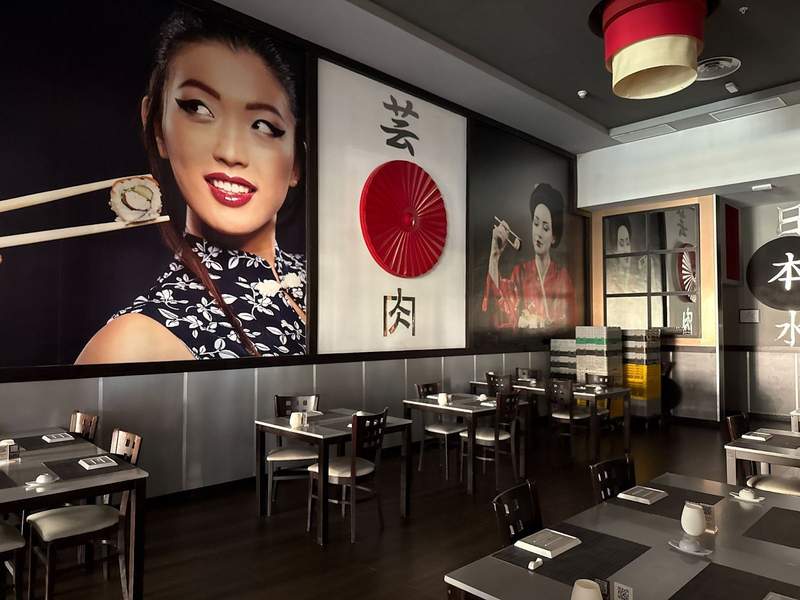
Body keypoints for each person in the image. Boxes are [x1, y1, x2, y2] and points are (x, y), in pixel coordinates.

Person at [77, 9, 305, 363]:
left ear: (296, 164)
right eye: (198, 108)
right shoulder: (131, 344)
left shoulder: (330, 283)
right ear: (156, 126)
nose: (230, 153)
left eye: (263, 126)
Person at [482, 183, 575, 330]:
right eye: (536, 223)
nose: (538, 232)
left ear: (554, 237)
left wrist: (539, 322)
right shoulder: (520, 272)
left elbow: (566, 325)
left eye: (545, 228)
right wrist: (494, 257)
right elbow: (502, 309)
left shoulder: (562, 278)